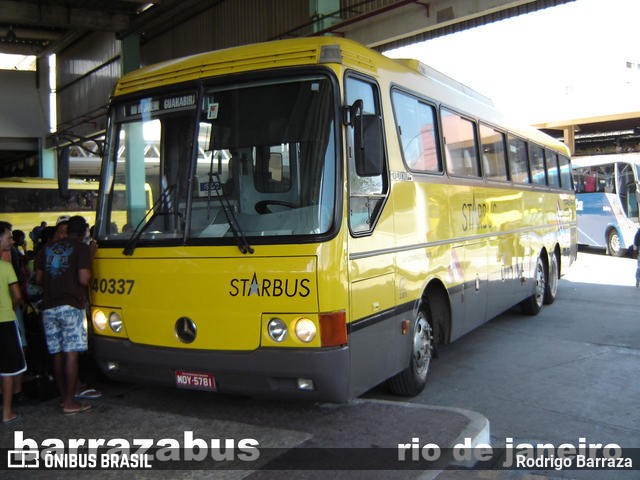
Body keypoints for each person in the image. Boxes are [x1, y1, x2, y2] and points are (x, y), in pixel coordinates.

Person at [35, 215, 93, 415]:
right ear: (84, 230)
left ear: (67, 231)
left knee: (57, 354)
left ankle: (62, 398)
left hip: (48, 307)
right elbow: (83, 279)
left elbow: (39, 278)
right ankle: (70, 402)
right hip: (70, 306)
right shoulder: (82, 248)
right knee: (71, 354)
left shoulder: (47, 249)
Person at [0, 221, 26, 424]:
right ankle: (7, 412)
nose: (11, 240)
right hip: (5, 321)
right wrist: (11, 306)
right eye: (8, 237)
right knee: (8, 369)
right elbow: (17, 295)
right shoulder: (5, 267)